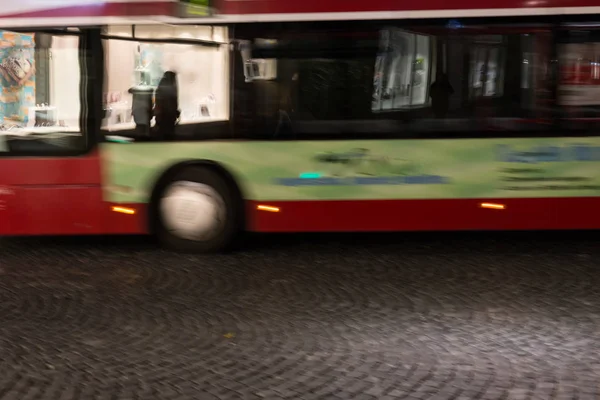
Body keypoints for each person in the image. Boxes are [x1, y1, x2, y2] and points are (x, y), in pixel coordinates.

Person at [154, 71, 180, 141]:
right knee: (167, 136)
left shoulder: (162, 86)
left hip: (164, 116)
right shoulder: (171, 88)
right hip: (167, 116)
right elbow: (173, 102)